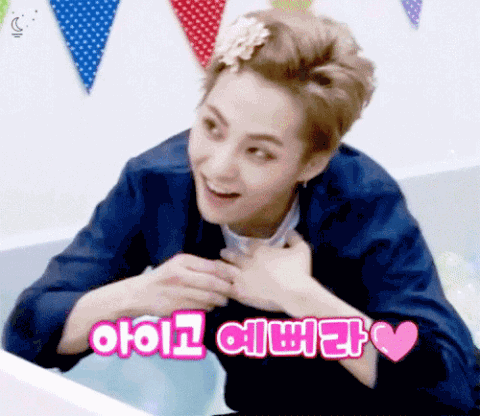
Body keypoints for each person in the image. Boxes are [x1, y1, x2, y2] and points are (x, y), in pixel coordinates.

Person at [3, 8, 480, 415]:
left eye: (259, 152)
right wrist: (138, 295)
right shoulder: (156, 184)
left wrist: (304, 299)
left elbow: (450, 392)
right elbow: (24, 336)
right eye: (212, 126)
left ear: (312, 163)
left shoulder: (364, 202)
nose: (218, 168)